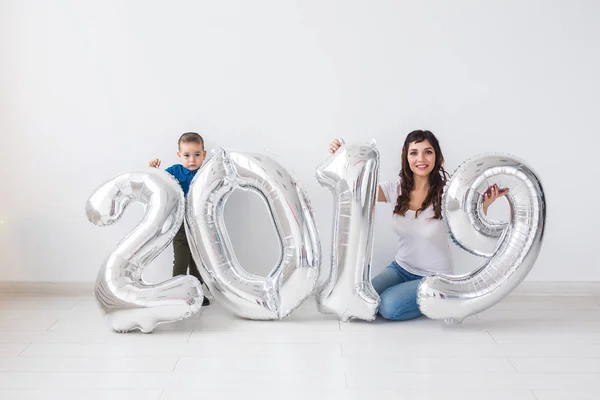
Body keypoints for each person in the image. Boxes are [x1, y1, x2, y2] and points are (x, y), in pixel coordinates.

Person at [328, 130, 508, 320]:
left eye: (428, 152)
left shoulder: (449, 193)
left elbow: (468, 228)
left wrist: (484, 206)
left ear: (437, 156)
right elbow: (359, 187)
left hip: (434, 277)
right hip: (400, 268)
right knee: (361, 297)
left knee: (388, 307)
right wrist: (342, 157)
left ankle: (439, 298)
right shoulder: (394, 189)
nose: (421, 158)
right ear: (406, 157)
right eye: (414, 152)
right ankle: (417, 298)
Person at [149, 132, 210, 306]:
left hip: (199, 225)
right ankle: (177, 293)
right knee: (181, 259)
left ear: (204, 155)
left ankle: (197, 293)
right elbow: (160, 183)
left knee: (198, 262)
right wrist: (154, 171)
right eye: (187, 155)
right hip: (180, 224)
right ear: (179, 156)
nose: (192, 160)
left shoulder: (205, 172)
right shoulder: (174, 171)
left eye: (197, 155)